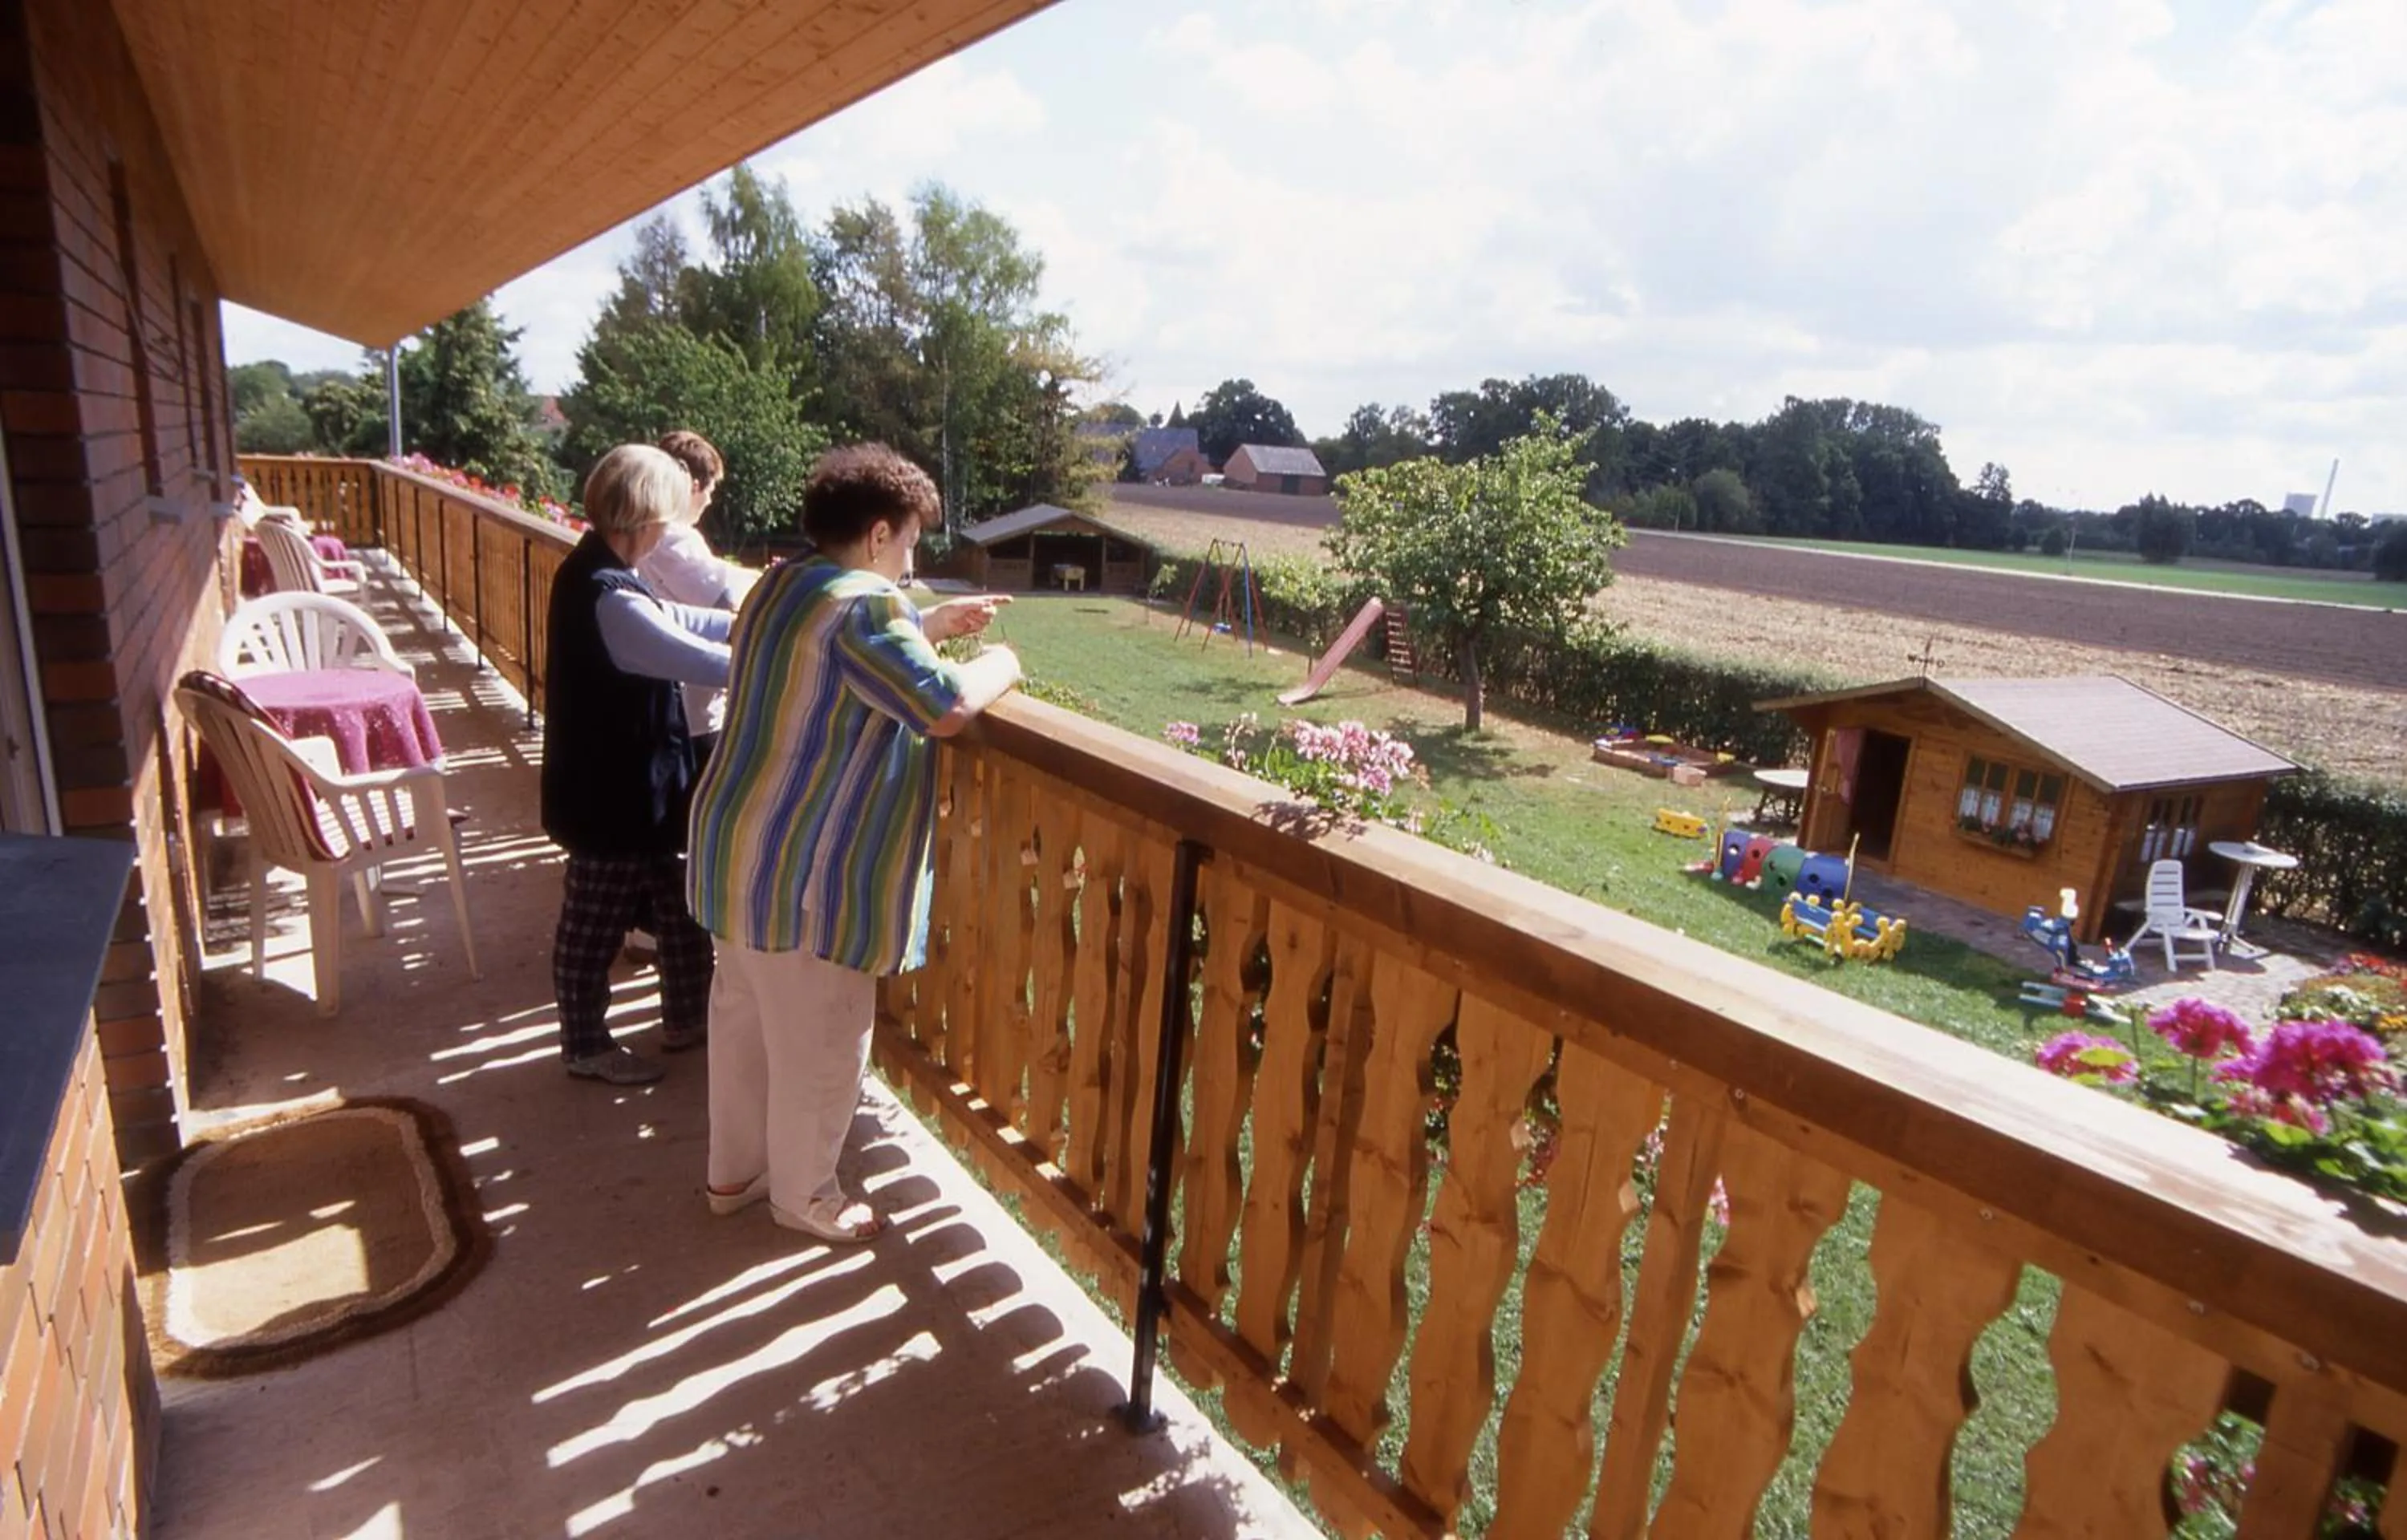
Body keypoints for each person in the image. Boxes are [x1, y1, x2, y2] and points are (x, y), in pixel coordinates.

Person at [686, 444, 1018, 1241]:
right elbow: (939, 705)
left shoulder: (782, 585)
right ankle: (806, 1199)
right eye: (907, 543)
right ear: (876, 536)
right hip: (808, 875)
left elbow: (835, 658)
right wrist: (1000, 663)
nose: (909, 560)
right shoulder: (864, 606)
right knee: (824, 1041)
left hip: (738, 853)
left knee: (743, 1028)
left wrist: (928, 623)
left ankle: (732, 1176)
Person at [542, 444, 733, 1086]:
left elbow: (678, 620)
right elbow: (691, 658)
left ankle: (688, 1018)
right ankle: (585, 1044)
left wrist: (748, 622)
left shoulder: (608, 574)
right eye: (665, 520)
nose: (669, 532)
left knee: (680, 909)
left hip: (645, 787)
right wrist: (785, 657)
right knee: (593, 922)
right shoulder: (605, 593)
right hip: (609, 793)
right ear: (642, 519)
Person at [639, 429, 757, 765]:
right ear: (693, 485)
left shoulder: (648, 533)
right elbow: (725, 597)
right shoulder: (674, 538)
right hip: (690, 713)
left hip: (669, 704)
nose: (709, 500)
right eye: (711, 489)